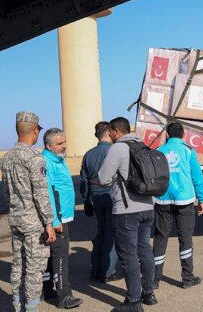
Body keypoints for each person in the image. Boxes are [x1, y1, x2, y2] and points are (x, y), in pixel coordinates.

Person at [0, 112, 57, 312]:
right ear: (34, 130)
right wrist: (49, 223)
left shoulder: (7, 158)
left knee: (18, 264)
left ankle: (17, 305)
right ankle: (31, 308)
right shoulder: (33, 158)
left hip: (16, 218)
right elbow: (41, 193)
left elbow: (6, 193)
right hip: (33, 222)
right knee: (34, 268)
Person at [98, 117, 157, 312]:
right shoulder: (144, 146)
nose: (110, 136)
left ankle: (133, 302)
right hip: (148, 206)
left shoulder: (118, 148)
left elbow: (103, 178)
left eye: (110, 132)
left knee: (129, 255)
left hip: (126, 210)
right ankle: (148, 294)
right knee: (145, 250)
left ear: (116, 131)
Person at [153, 122, 203, 290]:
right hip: (184, 201)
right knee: (185, 239)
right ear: (184, 135)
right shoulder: (188, 151)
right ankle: (187, 278)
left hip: (162, 200)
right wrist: (201, 199)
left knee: (160, 238)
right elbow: (197, 177)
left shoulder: (158, 151)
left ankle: (154, 279)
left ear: (167, 135)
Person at [41, 128, 83, 309]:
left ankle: (47, 290)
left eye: (64, 142)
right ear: (48, 146)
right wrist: (55, 220)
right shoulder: (47, 163)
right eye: (59, 143)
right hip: (57, 218)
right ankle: (64, 296)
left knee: (50, 256)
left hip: (61, 216)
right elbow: (48, 193)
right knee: (60, 256)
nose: (64, 146)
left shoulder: (58, 159)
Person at [80, 121, 121, 283]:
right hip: (111, 196)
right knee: (112, 234)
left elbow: (84, 181)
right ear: (109, 132)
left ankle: (95, 268)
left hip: (95, 198)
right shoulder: (115, 152)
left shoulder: (88, 154)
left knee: (101, 232)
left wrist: (86, 200)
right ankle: (108, 271)